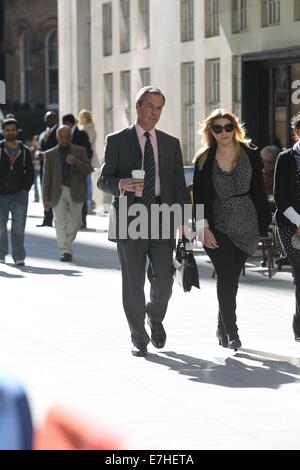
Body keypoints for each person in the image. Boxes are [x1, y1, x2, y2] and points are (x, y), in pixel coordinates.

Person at [98, 86, 189, 357]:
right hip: (130, 215)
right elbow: (104, 180)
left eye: (160, 108)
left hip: (162, 214)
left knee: (165, 279)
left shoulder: (171, 143)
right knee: (133, 281)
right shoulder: (116, 140)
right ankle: (138, 336)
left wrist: (184, 222)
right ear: (138, 107)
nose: (155, 113)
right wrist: (121, 184)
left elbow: (179, 186)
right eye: (150, 107)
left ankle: (154, 316)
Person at [192, 108, 271, 349]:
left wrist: (263, 224)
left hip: (246, 223)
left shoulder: (249, 153)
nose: (224, 132)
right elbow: (199, 196)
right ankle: (233, 332)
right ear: (211, 131)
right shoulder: (204, 158)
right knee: (226, 277)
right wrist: (202, 228)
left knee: (230, 279)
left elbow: (259, 190)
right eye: (218, 128)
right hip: (217, 226)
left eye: (228, 127)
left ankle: (221, 327)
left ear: (234, 128)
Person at [42, 126, 93, 262]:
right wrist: (45, 198)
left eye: (67, 136)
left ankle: (66, 242)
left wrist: (76, 163)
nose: (64, 139)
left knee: (76, 222)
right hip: (57, 192)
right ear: (57, 137)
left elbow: (89, 169)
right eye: (62, 137)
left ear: (71, 137)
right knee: (60, 222)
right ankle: (65, 251)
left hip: (75, 190)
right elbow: (46, 178)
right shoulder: (49, 154)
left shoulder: (80, 151)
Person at [274, 111, 300, 342]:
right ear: (296, 132)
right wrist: (298, 222)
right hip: (288, 224)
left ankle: (298, 320)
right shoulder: (284, 158)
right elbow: (279, 195)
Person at [0, 118, 34, 266]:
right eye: (7, 130)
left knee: (18, 226)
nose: (10, 132)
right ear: (3, 131)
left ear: (17, 131)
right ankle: (1, 254)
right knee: (0, 226)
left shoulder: (25, 151)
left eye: (13, 130)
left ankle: (19, 255)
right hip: (1, 194)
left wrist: (25, 189)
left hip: (19, 194)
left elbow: (31, 173)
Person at [62, 114, 93, 228]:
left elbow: (88, 152)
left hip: (79, 170)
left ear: (69, 123)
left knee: (81, 196)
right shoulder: (64, 136)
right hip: (66, 172)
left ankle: (82, 220)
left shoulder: (81, 134)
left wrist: (80, 164)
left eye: (64, 123)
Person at [37, 111, 59, 227]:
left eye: (50, 118)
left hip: (54, 169)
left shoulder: (58, 133)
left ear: (55, 120)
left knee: (53, 193)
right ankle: (47, 218)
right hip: (43, 168)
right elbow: (40, 148)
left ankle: (55, 218)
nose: (48, 121)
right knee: (44, 193)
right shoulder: (42, 134)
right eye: (46, 118)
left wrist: (44, 154)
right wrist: (37, 153)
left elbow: (58, 149)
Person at [78, 109, 99, 213]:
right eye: (82, 116)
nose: (82, 118)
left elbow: (90, 142)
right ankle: (87, 204)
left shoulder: (89, 128)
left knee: (88, 182)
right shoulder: (82, 128)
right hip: (83, 157)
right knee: (86, 182)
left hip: (88, 157)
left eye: (84, 116)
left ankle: (89, 204)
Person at [30, 135, 41, 203]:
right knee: (35, 184)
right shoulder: (31, 150)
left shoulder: (41, 148)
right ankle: (36, 197)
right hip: (34, 168)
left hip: (40, 167)